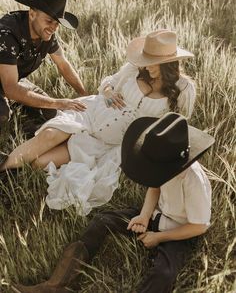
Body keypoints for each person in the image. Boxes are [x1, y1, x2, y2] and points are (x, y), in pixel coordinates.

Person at [13, 112, 215, 293]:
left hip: (180, 231)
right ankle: (56, 285)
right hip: (156, 216)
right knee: (103, 220)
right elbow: (155, 186)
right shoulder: (163, 165)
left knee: (164, 273)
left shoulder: (193, 180)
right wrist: (144, 216)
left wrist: (159, 237)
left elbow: (199, 226)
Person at [0, 30, 196, 214]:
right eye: (146, 60)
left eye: (152, 62)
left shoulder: (184, 90)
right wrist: (109, 92)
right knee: (50, 135)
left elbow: (178, 126)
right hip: (93, 112)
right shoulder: (134, 69)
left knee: (38, 163)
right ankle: (2, 170)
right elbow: (109, 82)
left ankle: (12, 173)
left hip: (109, 143)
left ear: (169, 63)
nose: (146, 66)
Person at [0, 0, 87, 130]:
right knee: (3, 116)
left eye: (56, 24)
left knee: (52, 114)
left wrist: (84, 96)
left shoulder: (47, 34)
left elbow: (63, 64)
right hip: (8, 84)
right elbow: (10, 88)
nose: (53, 28)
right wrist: (58, 102)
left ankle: (16, 107)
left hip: (14, 79)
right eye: (49, 21)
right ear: (32, 14)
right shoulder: (7, 33)